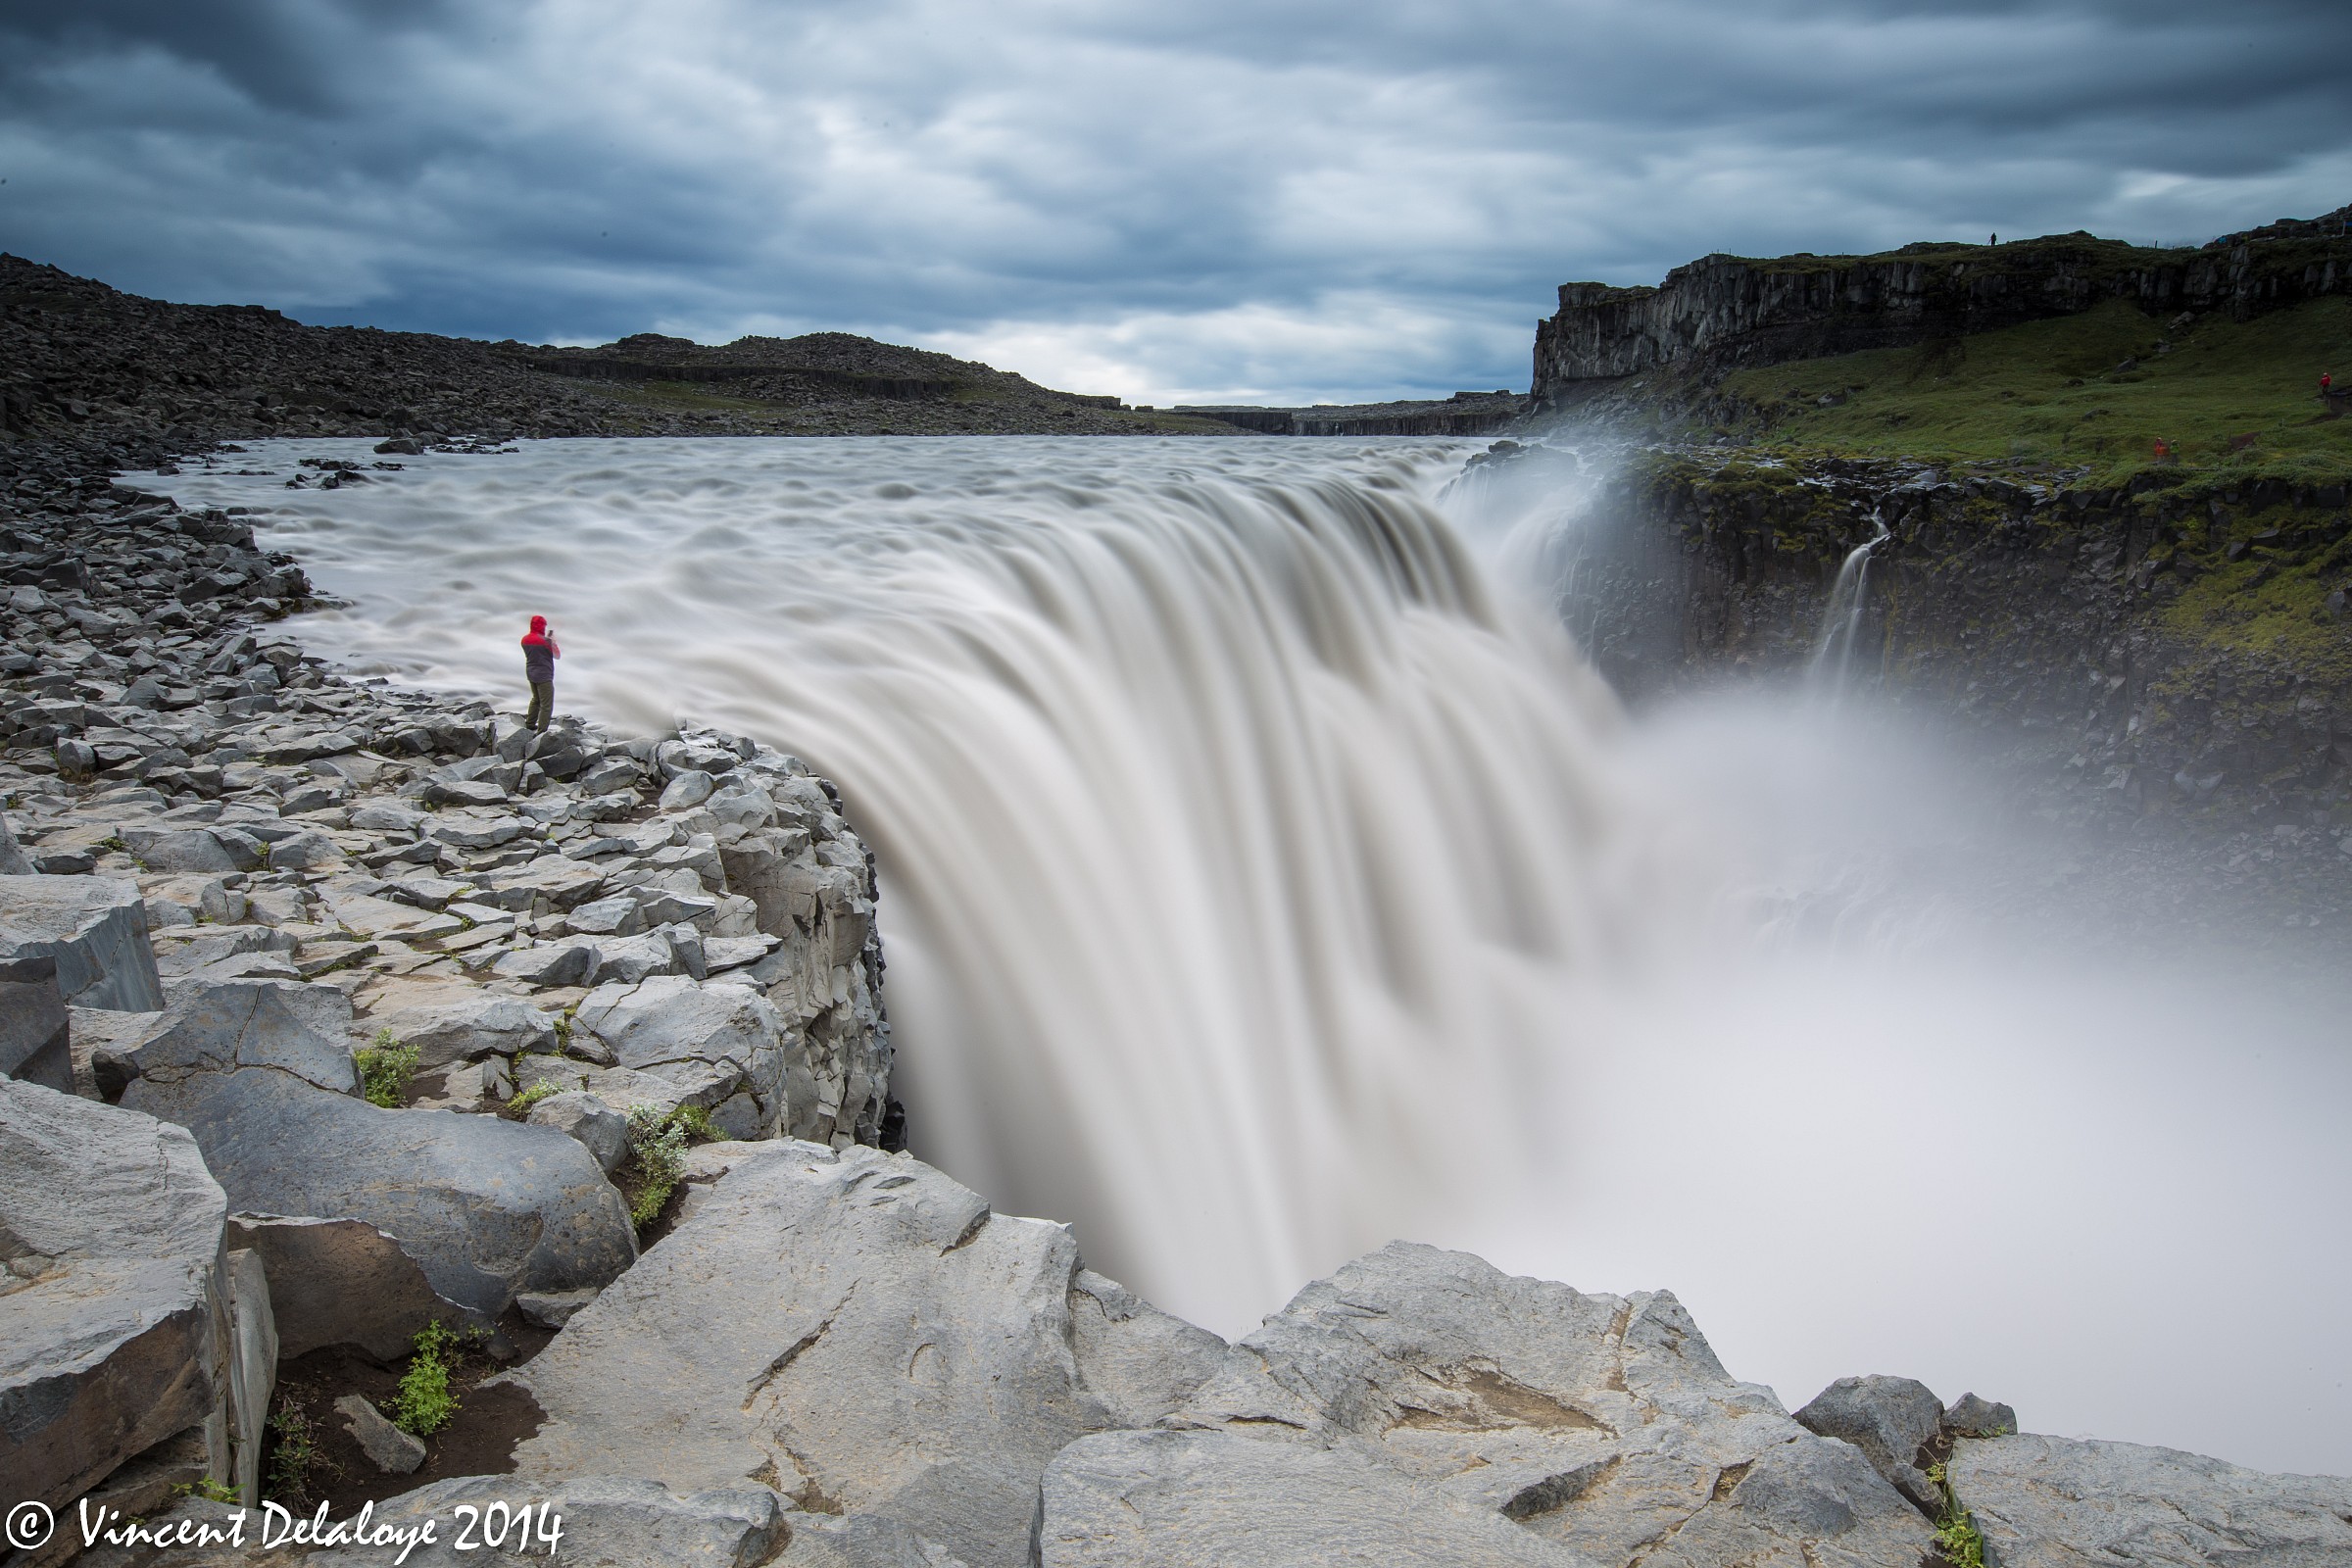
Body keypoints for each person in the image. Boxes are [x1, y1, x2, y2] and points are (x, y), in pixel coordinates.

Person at [521, 613, 560, 731]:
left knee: (536, 699)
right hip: (544, 675)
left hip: (531, 672)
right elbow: (557, 655)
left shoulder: (525, 639)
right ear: (542, 626)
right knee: (546, 705)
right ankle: (542, 731)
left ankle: (530, 723)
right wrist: (552, 642)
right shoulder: (546, 641)